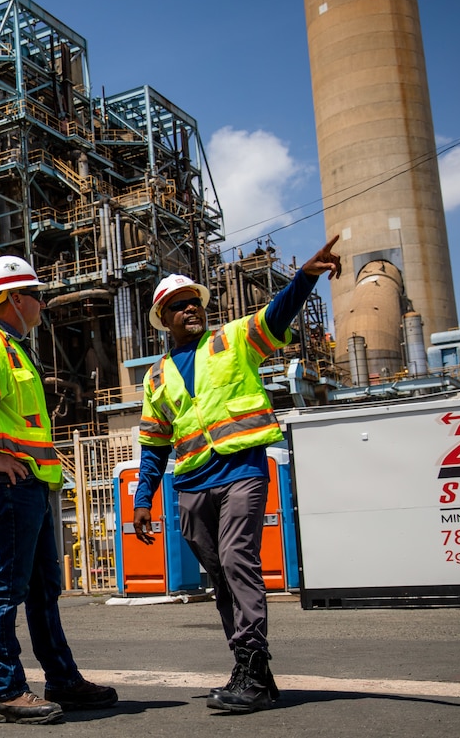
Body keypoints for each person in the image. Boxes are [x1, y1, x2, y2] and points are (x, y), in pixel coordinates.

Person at [133, 237, 342, 713]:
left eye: (195, 302)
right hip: (190, 484)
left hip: (242, 469)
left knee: (237, 559)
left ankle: (253, 664)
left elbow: (277, 314)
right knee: (220, 578)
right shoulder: (155, 377)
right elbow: (153, 445)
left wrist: (305, 277)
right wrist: (143, 499)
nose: (191, 309)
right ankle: (252, 674)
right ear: (163, 319)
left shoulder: (232, 340)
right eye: (179, 306)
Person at [0, 255, 118, 725]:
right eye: (36, 295)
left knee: (43, 591)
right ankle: (9, 692)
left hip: (33, 487)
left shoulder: (18, 349)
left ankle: (63, 681)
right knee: (5, 591)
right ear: (13, 299)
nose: (42, 303)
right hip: (7, 486)